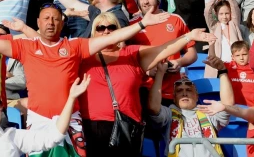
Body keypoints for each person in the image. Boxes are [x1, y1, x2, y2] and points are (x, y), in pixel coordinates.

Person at [0, 3, 169, 157]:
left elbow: (110, 39)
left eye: (55, 19)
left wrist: (141, 24)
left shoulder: (75, 46)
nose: (51, 23)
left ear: (62, 23)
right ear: (38, 22)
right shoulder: (25, 47)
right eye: (46, 18)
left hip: (71, 119)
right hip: (38, 119)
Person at [80, 12, 216, 154]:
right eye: (100, 28)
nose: (106, 31)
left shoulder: (131, 53)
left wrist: (189, 36)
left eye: (111, 27)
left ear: (119, 30)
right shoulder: (82, 56)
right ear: (93, 31)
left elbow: (163, 49)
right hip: (92, 126)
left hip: (127, 126)